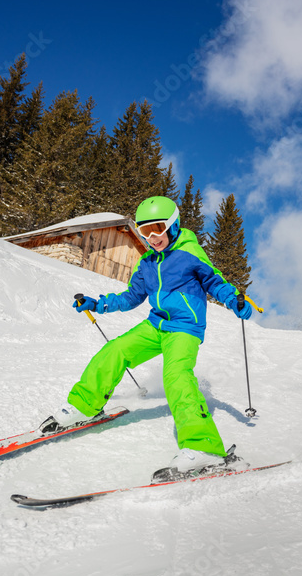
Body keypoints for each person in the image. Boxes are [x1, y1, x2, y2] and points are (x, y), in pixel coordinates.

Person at [40, 196, 253, 474]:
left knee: (176, 376)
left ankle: (205, 447)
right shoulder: (147, 263)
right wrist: (98, 304)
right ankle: (85, 406)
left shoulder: (189, 251)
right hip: (156, 325)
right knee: (115, 351)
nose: (152, 237)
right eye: (145, 231)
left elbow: (214, 280)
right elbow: (131, 297)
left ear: (173, 225)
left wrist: (233, 298)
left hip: (185, 327)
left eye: (158, 228)